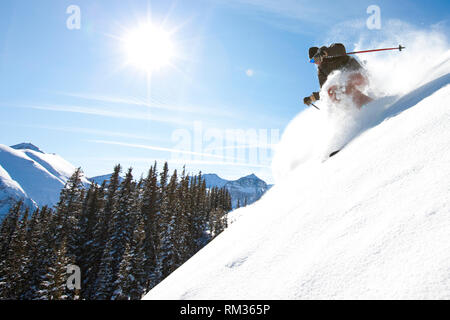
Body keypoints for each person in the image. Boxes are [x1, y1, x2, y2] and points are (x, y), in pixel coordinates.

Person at [303, 43, 372, 108]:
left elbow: (341, 48)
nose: (315, 62)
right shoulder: (321, 71)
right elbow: (324, 90)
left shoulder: (331, 54)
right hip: (348, 85)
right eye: (312, 61)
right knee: (331, 91)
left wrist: (326, 52)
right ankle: (351, 110)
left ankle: (369, 104)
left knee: (346, 87)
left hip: (358, 73)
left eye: (315, 59)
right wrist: (312, 98)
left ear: (319, 55)